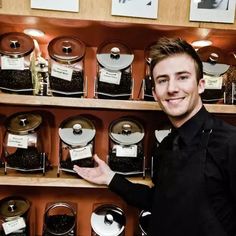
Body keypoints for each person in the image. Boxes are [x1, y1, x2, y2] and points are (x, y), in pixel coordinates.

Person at [73, 37, 236, 236]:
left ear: (201, 85)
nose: (172, 88)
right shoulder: (166, 146)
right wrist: (111, 178)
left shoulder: (230, 143)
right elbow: (161, 202)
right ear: (155, 92)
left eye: (183, 77)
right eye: (162, 80)